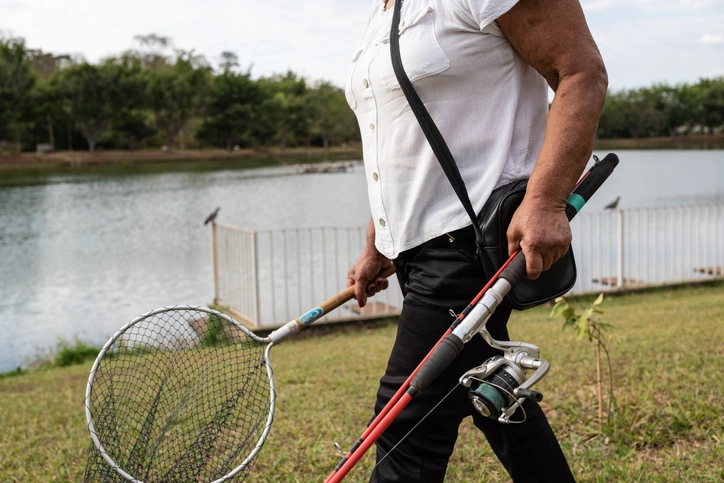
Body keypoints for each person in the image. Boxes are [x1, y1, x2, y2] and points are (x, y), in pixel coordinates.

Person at [345, 0, 607, 481]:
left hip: (470, 244)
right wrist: (378, 243)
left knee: (405, 418)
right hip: (417, 250)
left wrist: (546, 201)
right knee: (487, 384)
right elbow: (399, 141)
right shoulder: (382, 13)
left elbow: (581, 73)